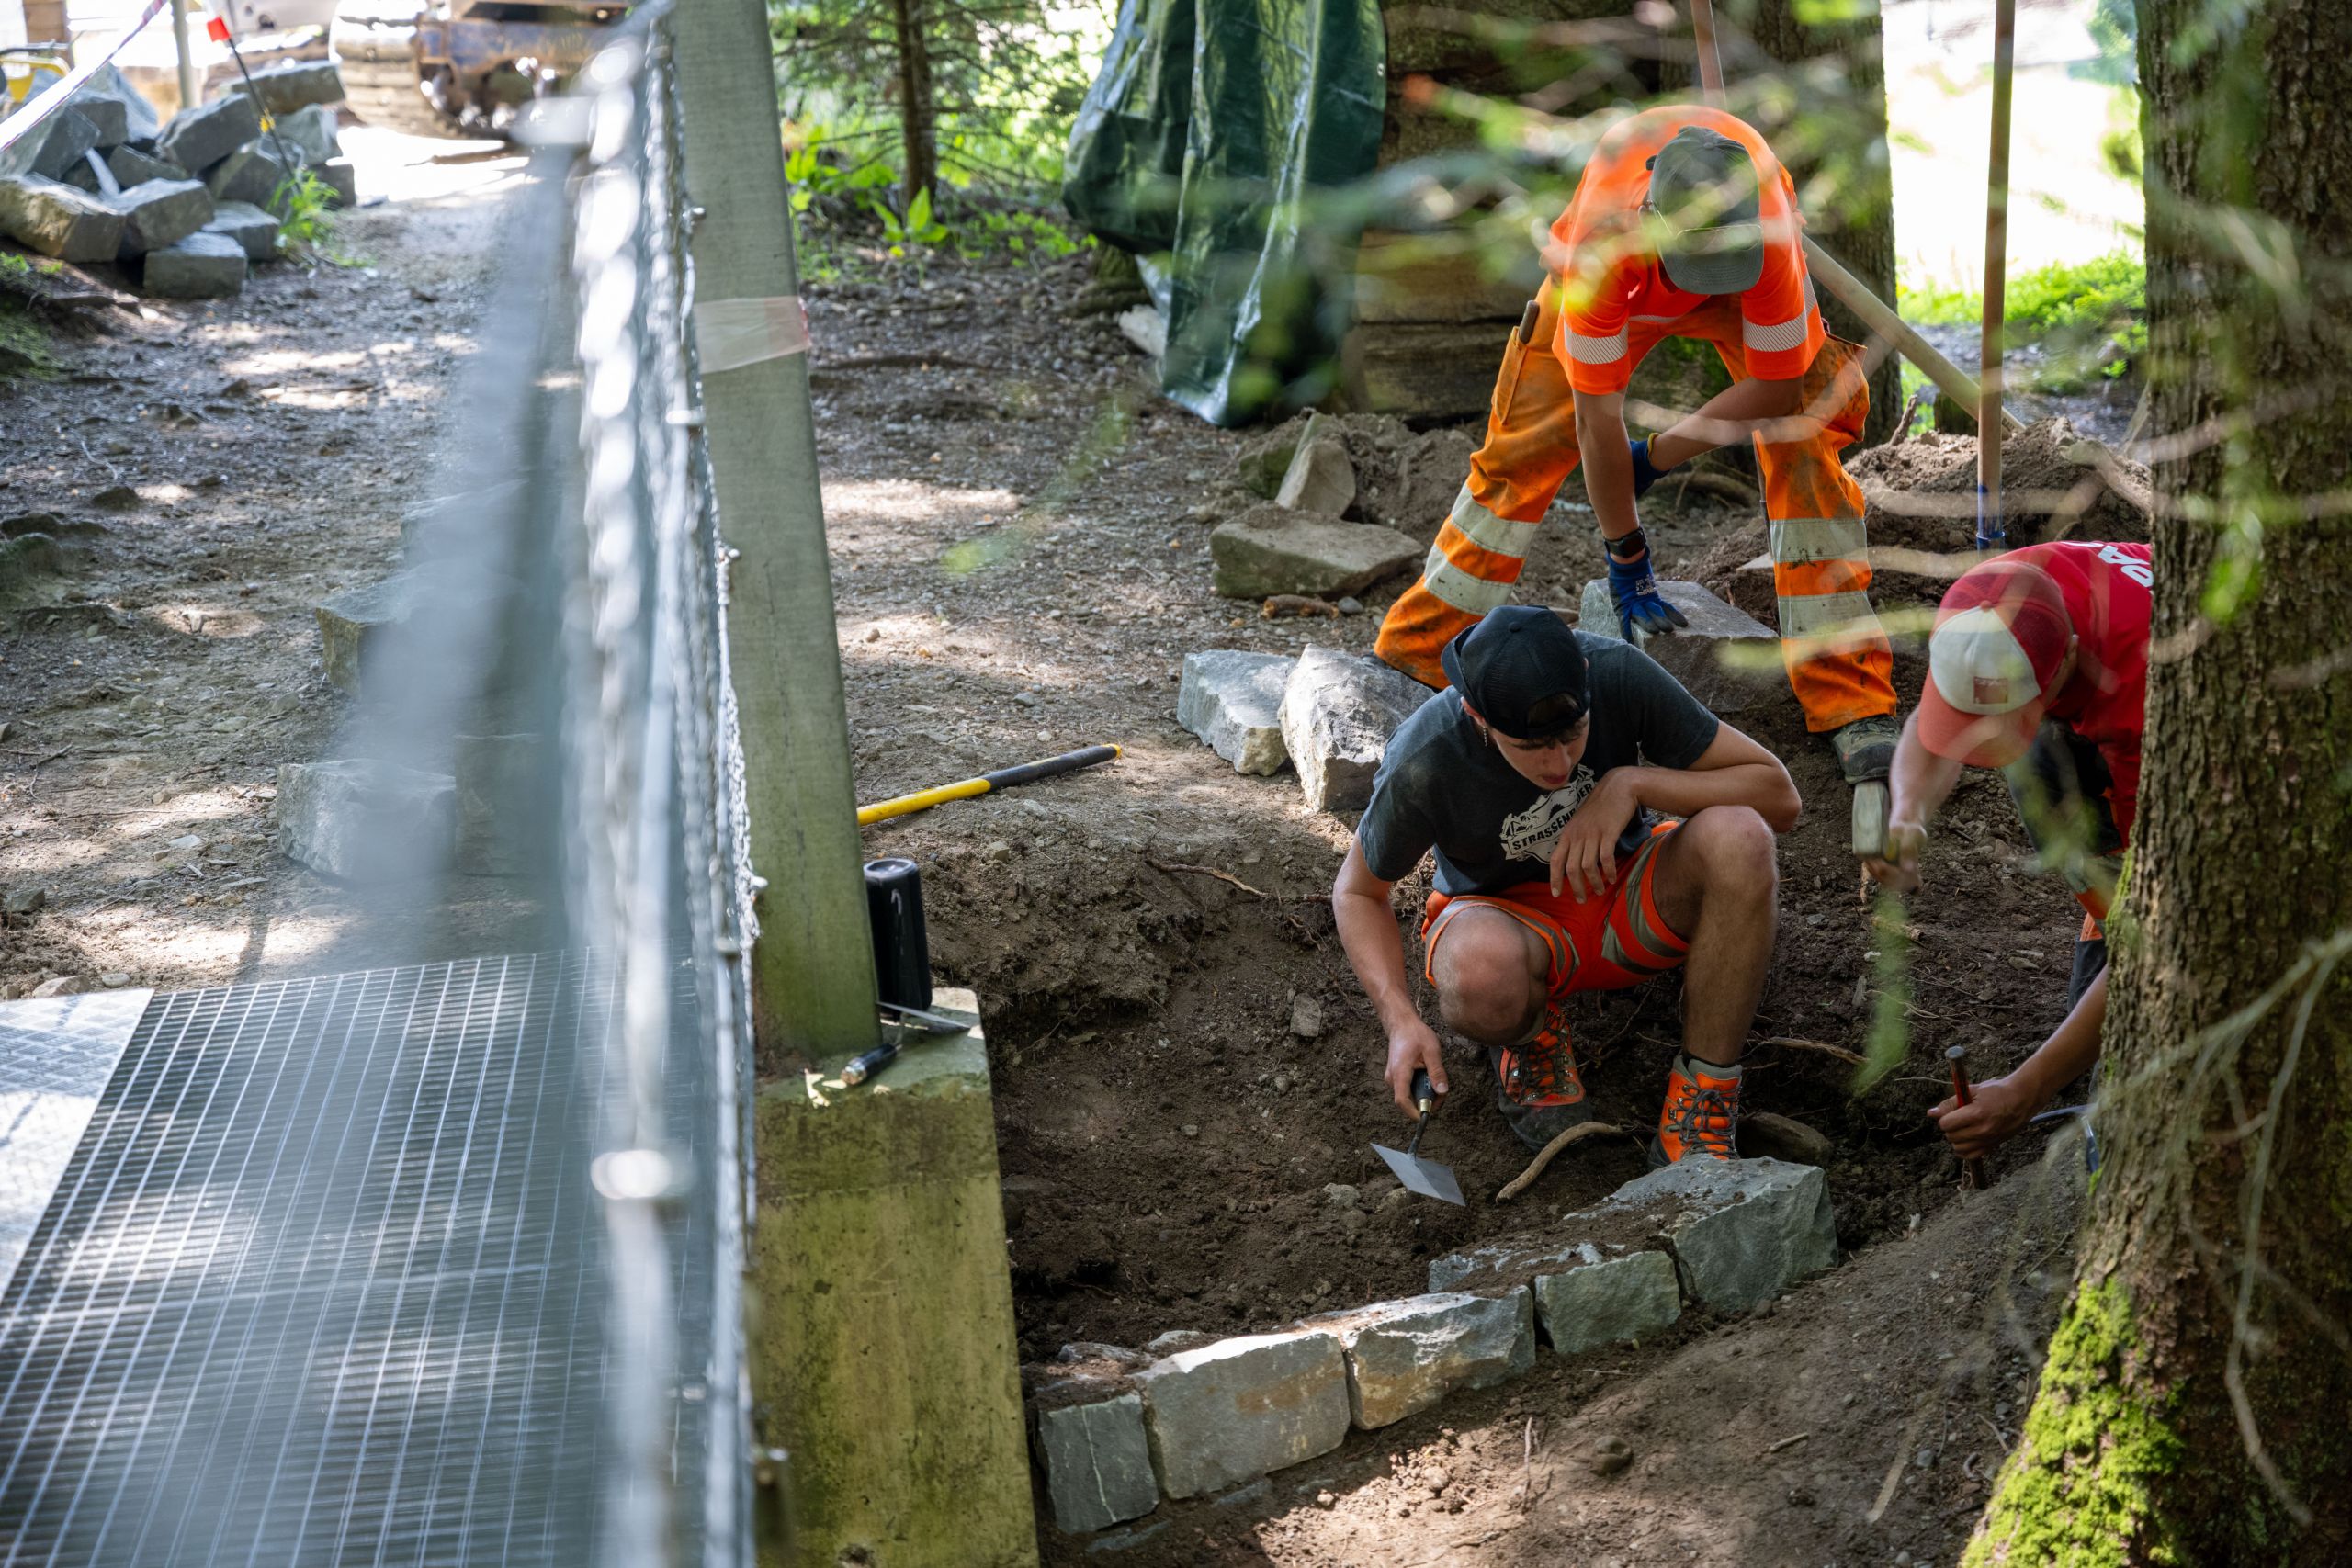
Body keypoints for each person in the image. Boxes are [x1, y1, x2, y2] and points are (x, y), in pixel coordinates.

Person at [1374, 104, 1902, 791]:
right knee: (1521, 453)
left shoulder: (1766, 237)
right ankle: (1419, 654)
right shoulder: (1602, 248)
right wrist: (1627, 552)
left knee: (1806, 444)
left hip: (1738, 273)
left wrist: (1655, 456)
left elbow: (1776, 391)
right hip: (1622, 277)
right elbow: (1595, 422)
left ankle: (1851, 698)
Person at [1333, 605, 1801, 1164]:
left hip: (1630, 895)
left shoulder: (1616, 672)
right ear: (1476, 715)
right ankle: (1529, 1039)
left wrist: (1631, 783)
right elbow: (1357, 892)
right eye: (1531, 747)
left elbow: (1778, 797)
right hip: (1507, 923)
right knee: (1480, 967)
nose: (1558, 764)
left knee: (1741, 837)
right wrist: (1400, 1021)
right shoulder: (1426, 754)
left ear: (1584, 677)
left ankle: (1703, 1096)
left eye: (1573, 734)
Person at [1861, 540, 2152, 1157]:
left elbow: (2169, 927)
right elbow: (1930, 729)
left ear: (2067, 659)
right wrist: (1908, 814)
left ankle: (2116, 901)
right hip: (2099, 683)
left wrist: (2027, 1089)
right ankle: (2107, 906)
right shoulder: (1986, 603)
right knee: (2039, 757)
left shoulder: (2143, 710)